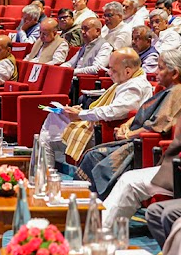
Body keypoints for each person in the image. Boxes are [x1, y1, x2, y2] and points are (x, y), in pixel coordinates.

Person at [76, 49, 181, 204]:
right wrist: (127, 124)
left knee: (94, 157)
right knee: (92, 153)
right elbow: (143, 111)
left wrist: (129, 135)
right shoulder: (165, 89)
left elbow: (157, 126)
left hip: (143, 144)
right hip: (133, 138)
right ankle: (84, 202)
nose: (155, 72)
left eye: (161, 68)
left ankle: (95, 206)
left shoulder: (176, 93)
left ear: (175, 73)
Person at [40, 48, 153, 167]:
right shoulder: (131, 79)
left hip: (104, 131)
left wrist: (81, 114)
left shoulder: (134, 87)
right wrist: (82, 112)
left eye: (112, 69)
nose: (109, 73)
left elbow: (113, 112)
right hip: (101, 125)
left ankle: (43, 178)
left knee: (45, 139)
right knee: (54, 116)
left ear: (128, 71)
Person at [100, 111, 181, 231]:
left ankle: (102, 233)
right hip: (173, 165)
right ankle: (100, 229)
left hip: (177, 169)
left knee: (131, 183)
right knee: (128, 177)